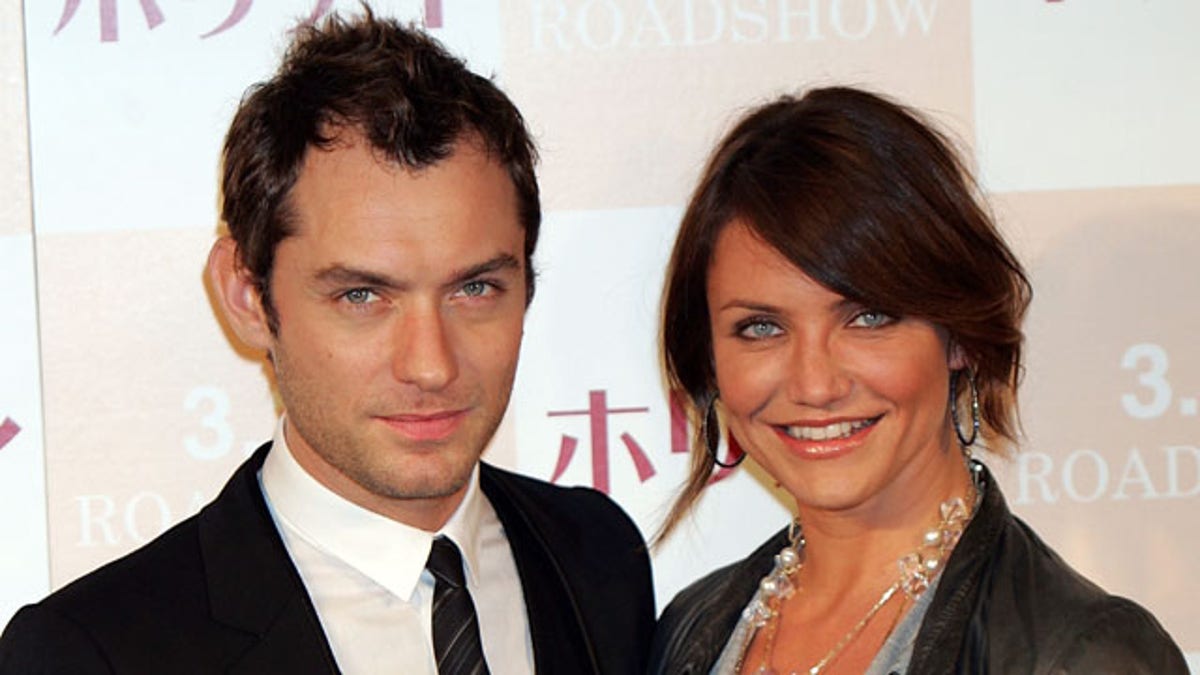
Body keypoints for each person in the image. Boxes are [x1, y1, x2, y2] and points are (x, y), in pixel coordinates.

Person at [0, 9, 653, 675]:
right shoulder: (91, 652)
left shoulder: (599, 557)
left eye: (475, 288)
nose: (430, 364)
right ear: (248, 295)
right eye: (362, 296)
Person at [647, 87, 1187, 674]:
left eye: (869, 317)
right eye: (760, 328)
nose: (814, 383)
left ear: (957, 335)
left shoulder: (1081, 654)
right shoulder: (691, 629)